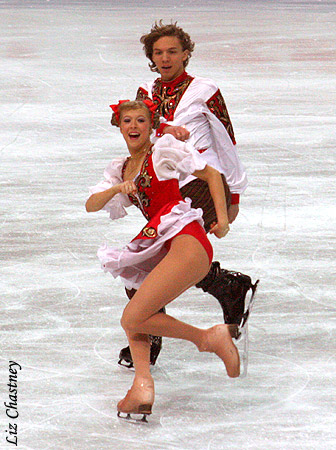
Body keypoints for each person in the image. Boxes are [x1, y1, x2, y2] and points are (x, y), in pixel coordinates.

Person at [115, 21, 258, 368]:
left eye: (172, 51)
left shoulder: (205, 90)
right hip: (163, 187)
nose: (165, 58)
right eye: (158, 52)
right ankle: (226, 285)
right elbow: (142, 132)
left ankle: (150, 333)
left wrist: (234, 193)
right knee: (156, 260)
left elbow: (226, 140)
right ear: (151, 57)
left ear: (186, 54)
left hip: (203, 184)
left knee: (158, 263)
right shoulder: (146, 93)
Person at [86, 100, 240, 421]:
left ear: (150, 125)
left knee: (131, 318)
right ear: (119, 125)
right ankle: (142, 386)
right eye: (127, 120)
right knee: (135, 297)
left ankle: (209, 338)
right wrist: (118, 187)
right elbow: (91, 204)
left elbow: (211, 175)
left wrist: (222, 221)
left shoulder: (161, 153)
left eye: (141, 120)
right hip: (160, 242)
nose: (134, 126)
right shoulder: (122, 169)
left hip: (186, 238)